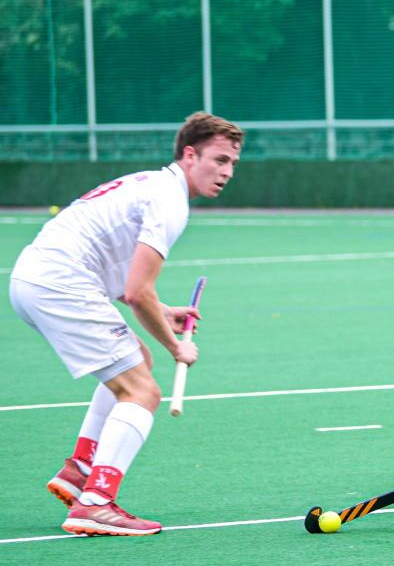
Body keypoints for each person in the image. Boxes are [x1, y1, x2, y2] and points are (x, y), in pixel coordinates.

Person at [10, 112, 243, 536]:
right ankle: (96, 503)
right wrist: (178, 348)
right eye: (219, 160)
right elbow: (139, 292)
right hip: (60, 283)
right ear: (190, 155)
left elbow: (116, 269)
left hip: (35, 279)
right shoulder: (170, 201)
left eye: (232, 164)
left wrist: (164, 310)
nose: (226, 172)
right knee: (142, 390)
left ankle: (80, 470)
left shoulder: (150, 184)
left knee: (137, 360)